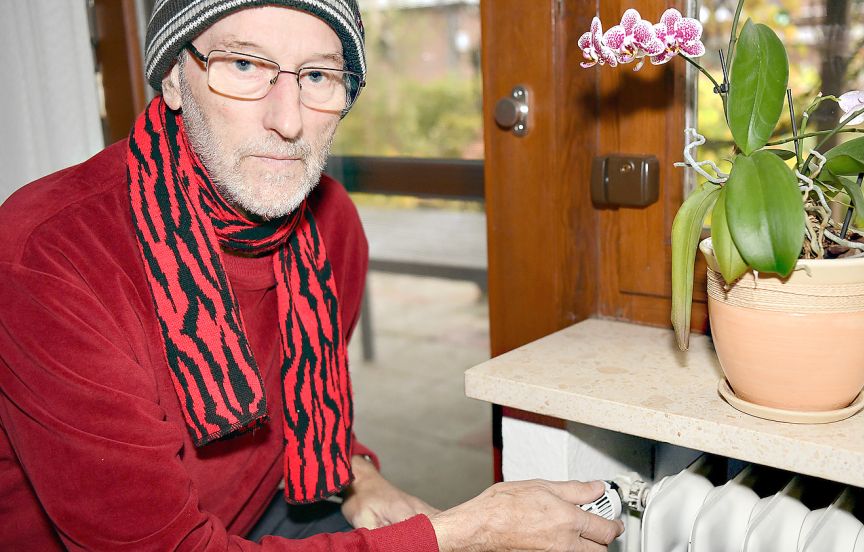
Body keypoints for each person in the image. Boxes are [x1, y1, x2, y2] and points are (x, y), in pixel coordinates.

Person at [0, 1, 624, 550]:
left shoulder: (331, 227)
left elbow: (295, 408)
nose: (289, 120)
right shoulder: (50, 255)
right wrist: (461, 536)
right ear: (172, 77)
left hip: (260, 512)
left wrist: (357, 475)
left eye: (319, 75)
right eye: (244, 65)